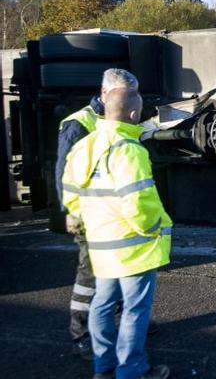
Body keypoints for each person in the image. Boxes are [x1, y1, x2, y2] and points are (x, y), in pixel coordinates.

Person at [62, 87, 172, 379]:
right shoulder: (129, 150)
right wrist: (151, 229)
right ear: (134, 114)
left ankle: (104, 366)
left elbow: (70, 194)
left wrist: (88, 218)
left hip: (101, 243)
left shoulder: (85, 146)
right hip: (133, 246)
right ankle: (132, 370)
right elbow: (138, 200)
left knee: (102, 303)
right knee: (135, 311)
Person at [57, 68, 140, 360]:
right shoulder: (79, 123)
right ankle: (81, 332)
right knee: (89, 276)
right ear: (105, 93)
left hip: (112, 216)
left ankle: (121, 324)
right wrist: (72, 212)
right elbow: (64, 174)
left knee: (114, 272)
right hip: (90, 215)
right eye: (124, 94)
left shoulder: (112, 119)